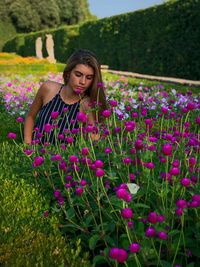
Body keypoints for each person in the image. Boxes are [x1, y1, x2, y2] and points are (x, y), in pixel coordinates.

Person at [24, 49, 107, 145]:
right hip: (36, 154)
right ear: (68, 73)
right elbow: (30, 116)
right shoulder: (48, 89)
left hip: (64, 158)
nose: (83, 82)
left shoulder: (87, 105)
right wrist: (27, 145)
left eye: (89, 77)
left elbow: (94, 140)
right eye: (78, 75)